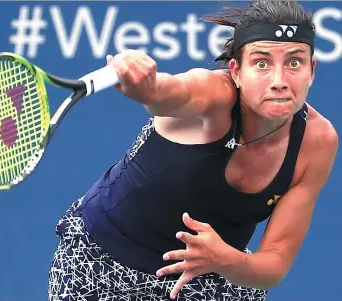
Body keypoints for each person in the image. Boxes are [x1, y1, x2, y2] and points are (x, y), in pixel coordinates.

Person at [48, 1, 338, 300]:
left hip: (210, 276)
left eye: (294, 63)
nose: (279, 81)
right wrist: (144, 85)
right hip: (102, 263)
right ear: (236, 71)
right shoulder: (212, 94)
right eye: (261, 63)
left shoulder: (317, 141)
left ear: (311, 70)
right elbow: (165, 92)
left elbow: (275, 262)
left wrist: (227, 259)